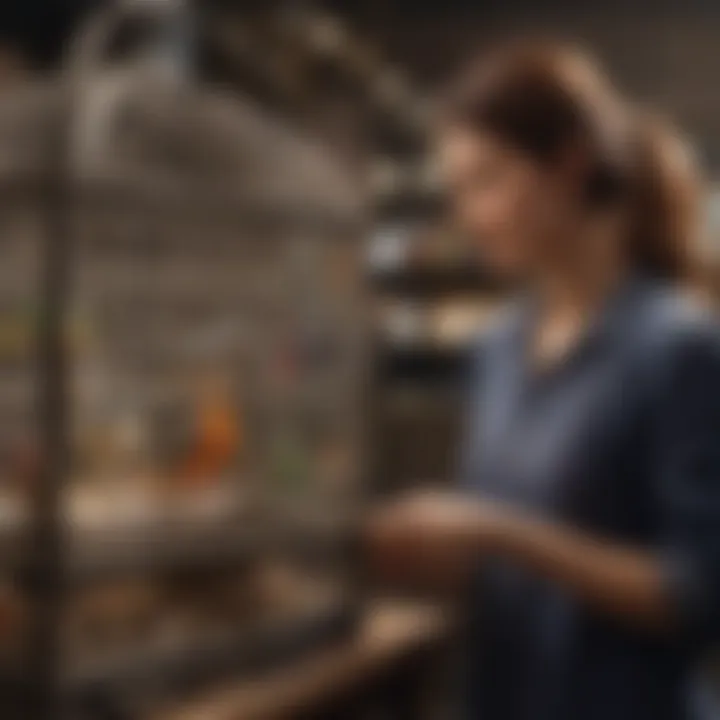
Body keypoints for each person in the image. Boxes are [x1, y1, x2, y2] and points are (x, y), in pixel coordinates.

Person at [366, 42, 720, 720]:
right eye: (458, 190)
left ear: (569, 165)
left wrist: (498, 532)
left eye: (487, 180)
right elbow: (500, 556)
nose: (468, 214)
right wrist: (436, 552)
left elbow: (696, 595)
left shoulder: (678, 347)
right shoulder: (497, 348)